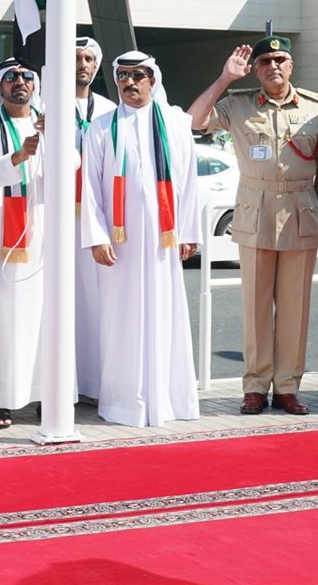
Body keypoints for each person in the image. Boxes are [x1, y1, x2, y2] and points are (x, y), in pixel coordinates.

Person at [190, 35, 318, 416]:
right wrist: (224, 79)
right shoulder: (237, 105)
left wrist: (317, 213)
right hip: (255, 210)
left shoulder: (317, 108)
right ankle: (255, 386)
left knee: (294, 306)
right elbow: (193, 120)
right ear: (255, 69)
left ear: (291, 66)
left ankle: (287, 386)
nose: (273, 66)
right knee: (255, 306)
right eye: (265, 61)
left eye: (280, 59)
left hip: (301, 211)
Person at [81, 51, 201, 427]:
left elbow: (189, 181)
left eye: (137, 76)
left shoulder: (176, 123)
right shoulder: (101, 127)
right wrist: (97, 236)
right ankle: (124, 403)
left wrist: (189, 230)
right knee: (120, 322)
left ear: (153, 79)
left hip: (164, 243)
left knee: (166, 316)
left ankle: (166, 401)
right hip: (121, 245)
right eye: (123, 77)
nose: (129, 83)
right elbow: (89, 189)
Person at [0, 58, 50, 428]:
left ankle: (45, 395)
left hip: (42, 237)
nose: (20, 82)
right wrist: (17, 156)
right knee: (0, 317)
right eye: (12, 77)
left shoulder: (50, 123)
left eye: (26, 77)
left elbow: (75, 165)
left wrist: (57, 140)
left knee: (43, 317)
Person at [72, 37, 115, 399]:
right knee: (66, 300)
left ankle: (100, 383)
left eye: (88, 59)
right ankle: (65, 384)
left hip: (100, 216)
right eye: (75, 58)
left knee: (99, 301)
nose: (82, 64)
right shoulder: (47, 105)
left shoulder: (109, 109)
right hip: (59, 220)